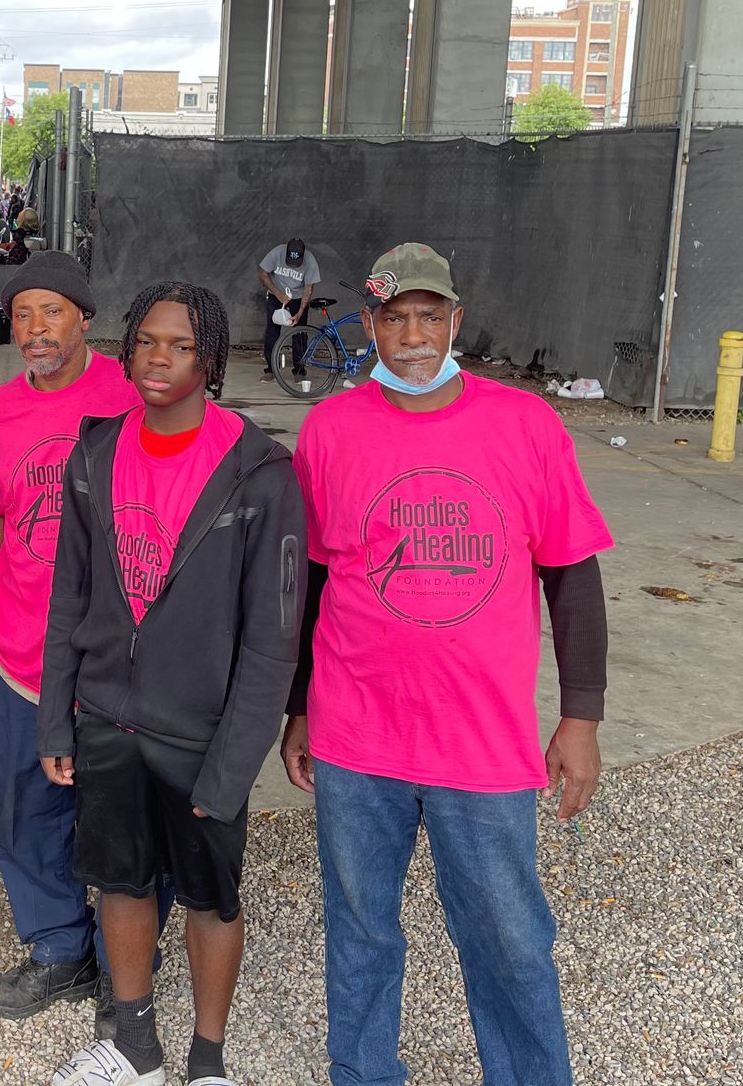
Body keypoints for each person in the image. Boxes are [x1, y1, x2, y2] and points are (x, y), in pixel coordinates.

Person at [282, 243, 613, 1086]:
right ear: (373, 327)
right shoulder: (330, 430)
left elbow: (572, 572)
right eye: (396, 319)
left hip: (482, 743)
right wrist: (299, 709)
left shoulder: (526, 425)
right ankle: (362, 1073)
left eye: (431, 317)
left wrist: (580, 718)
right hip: (358, 738)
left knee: (508, 936)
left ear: (456, 322)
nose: (415, 336)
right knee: (360, 931)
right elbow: (313, 584)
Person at [40, 281, 302, 1086]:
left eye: (181, 346)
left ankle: (209, 1059)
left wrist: (235, 762)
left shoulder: (258, 471)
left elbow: (274, 637)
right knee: (120, 881)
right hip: (109, 720)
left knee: (211, 898)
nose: (159, 358)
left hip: (201, 734)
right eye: (147, 341)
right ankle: (135, 1044)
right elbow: (69, 596)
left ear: (212, 360)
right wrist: (58, 718)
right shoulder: (95, 454)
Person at [0, 252, 169, 1035]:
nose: (36, 329)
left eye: (52, 312)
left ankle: (130, 965)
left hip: (117, 653)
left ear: (85, 318)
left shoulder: (132, 395)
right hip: (19, 646)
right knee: (25, 804)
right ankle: (58, 946)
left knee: (123, 808)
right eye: (22, 316)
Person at [257, 237, 321, 379]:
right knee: (272, 333)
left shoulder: (310, 261)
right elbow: (262, 272)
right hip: (276, 294)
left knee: (299, 332)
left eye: (296, 263)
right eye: (290, 261)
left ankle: (299, 370)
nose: (292, 265)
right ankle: (271, 369)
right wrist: (277, 293)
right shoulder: (277, 252)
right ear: (286, 252)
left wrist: (299, 312)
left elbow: (308, 289)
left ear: (303, 256)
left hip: (297, 298)